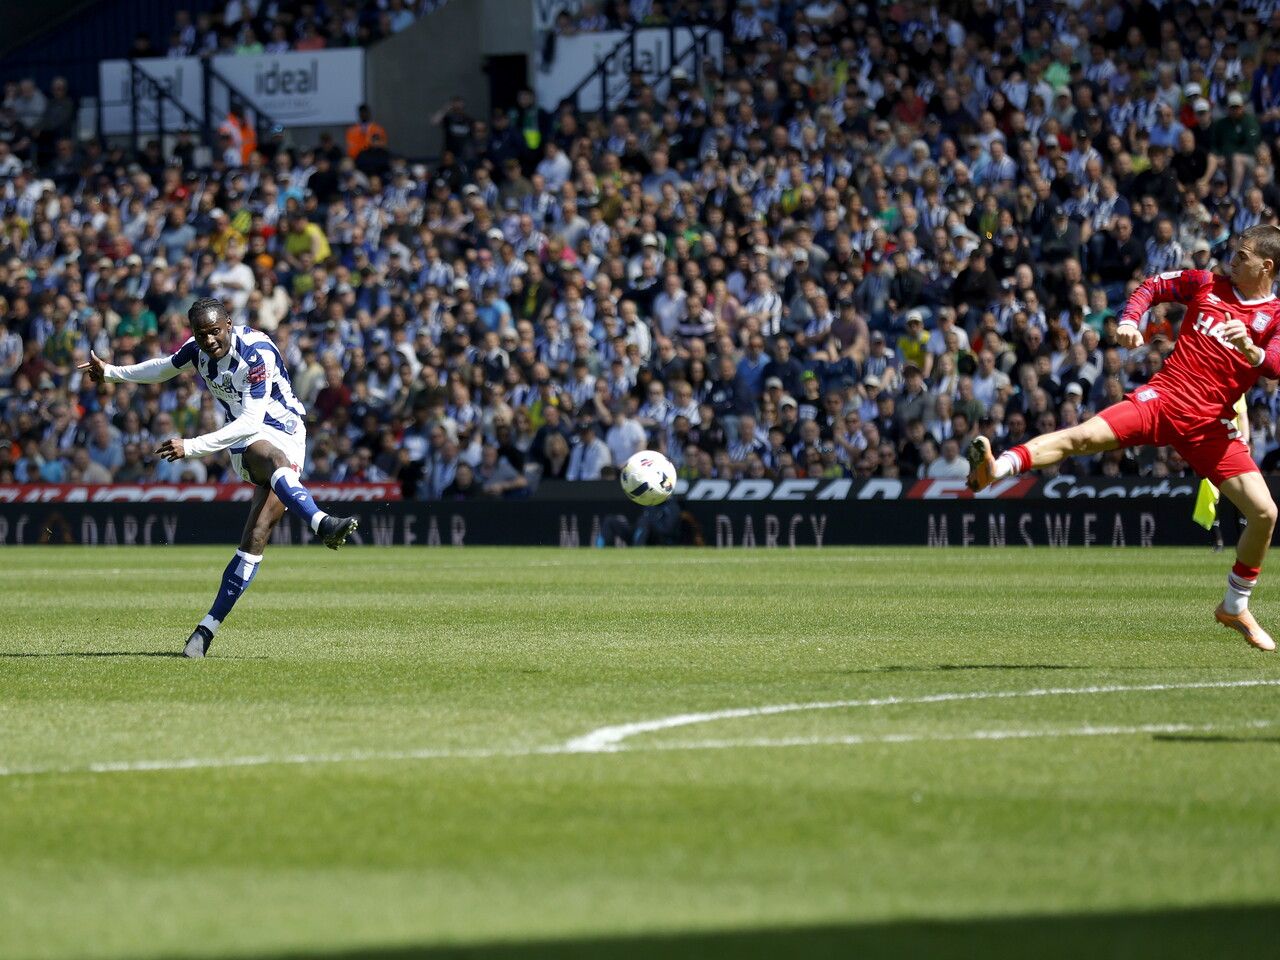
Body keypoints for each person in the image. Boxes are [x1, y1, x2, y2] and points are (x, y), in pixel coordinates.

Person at [967, 225, 1280, 651]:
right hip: (1164, 398)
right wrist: (1131, 320)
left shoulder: (1275, 316)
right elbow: (1151, 285)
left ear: (1266, 266)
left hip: (1211, 424)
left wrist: (1252, 351)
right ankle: (995, 469)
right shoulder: (1207, 282)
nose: (1232, 260)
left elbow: (1275, 364)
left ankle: (1235, 604)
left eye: (1241, 256)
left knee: (1264, 513)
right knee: (1081, 436)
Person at [78, 298, 359, 659]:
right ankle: (322, 523)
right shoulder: (196, 351)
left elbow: (252, 420)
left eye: (214, 331)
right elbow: (163, 368)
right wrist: (112, 373)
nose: (209, 340)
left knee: (256, 535)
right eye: (201, 334)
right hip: (244, 442)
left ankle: (204, 632)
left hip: (283, 431)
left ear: (228, 324)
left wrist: (192, 446)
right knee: (271, 460)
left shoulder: (255, 354)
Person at [598, 496, 682, 547]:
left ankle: (637, 550)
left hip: (659, 540)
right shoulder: (647, 502)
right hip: (639, 535)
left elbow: (668, 531)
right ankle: (604, 551)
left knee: (644, 520)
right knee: (609, 520)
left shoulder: (671, 506)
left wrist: (649, 525)